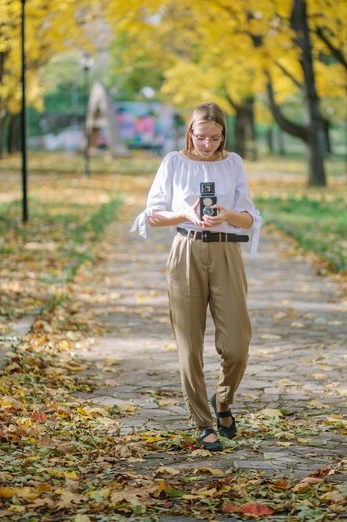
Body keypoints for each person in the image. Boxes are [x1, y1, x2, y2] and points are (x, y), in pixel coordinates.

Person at [130, 102, 261, 451]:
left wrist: (229, 214)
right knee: (189, 346)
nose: (207, 144)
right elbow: (152, 214)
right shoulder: (173, 162)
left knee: (237, 345)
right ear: (190, 132)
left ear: (224, 136)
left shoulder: (233, 163)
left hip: (226, 252)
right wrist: (184, 213)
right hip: (185, 250)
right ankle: (203, 422)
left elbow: (250, 218)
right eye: (201, 137)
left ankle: (224, 401)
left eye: (215, 138)